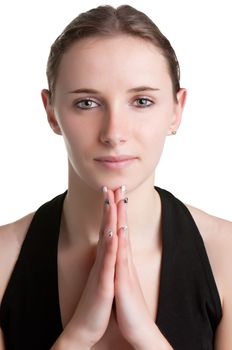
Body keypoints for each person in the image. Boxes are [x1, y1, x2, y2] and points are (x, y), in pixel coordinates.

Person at [0, 4, 231, 350]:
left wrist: (144, 334)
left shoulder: (227, 256)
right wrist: (79, 334)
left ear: (176, 110)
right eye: (87, 103)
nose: (114, 133)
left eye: (141, 101)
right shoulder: (3, 260)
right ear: (50, 112)